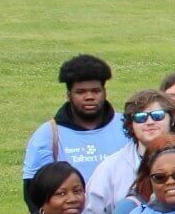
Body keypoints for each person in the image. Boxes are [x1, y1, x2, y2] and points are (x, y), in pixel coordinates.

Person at [24, 55, 128, 204]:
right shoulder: (48, 134)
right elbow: (33, 191)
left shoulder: (127, 126)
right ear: (68, 95)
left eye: (96, 91)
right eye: (80, 92)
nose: (89, 97)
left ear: (105, 92)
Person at [82, 88, 174, 214]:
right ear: (131, 124)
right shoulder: (109, 169)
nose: (150, 122)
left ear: (172, 119)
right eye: (140, 117)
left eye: (158, 116)